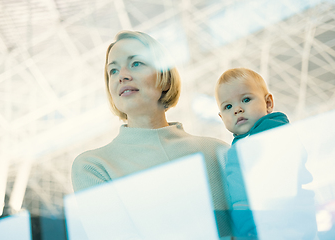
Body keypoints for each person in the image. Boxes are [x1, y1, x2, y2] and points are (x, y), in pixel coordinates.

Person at [71, 30, 232, 237]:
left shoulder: (217, 152)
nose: (122, 76)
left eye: (136, 63)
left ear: (164, 78)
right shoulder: (93, 167)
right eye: (113, 71)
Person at [214, 67, 317, 239]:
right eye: (228, 106)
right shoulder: (244, 145)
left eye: (246, 99)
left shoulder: (271, 135)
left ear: (268, 103)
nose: (237, 109)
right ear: (221, 117)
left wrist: (247, 230)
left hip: (272, 226)